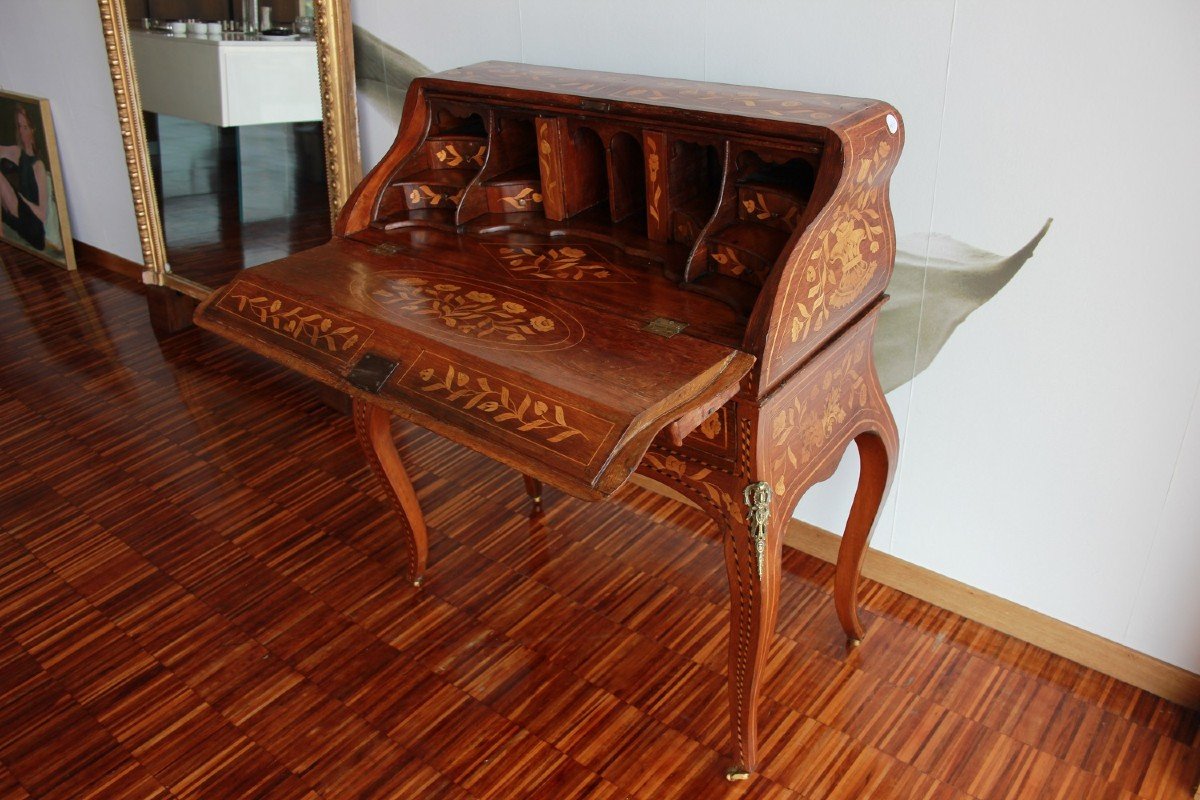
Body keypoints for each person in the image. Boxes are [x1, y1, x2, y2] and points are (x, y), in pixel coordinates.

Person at [0, 104, 49, 251]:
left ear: (33, 130)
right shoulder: (19, 153)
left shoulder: (38, 165)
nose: (21, 131)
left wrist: (22, 199)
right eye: (19, 126)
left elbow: (42, 215)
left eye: (25, 127)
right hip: (19, 211)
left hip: (33, 226)